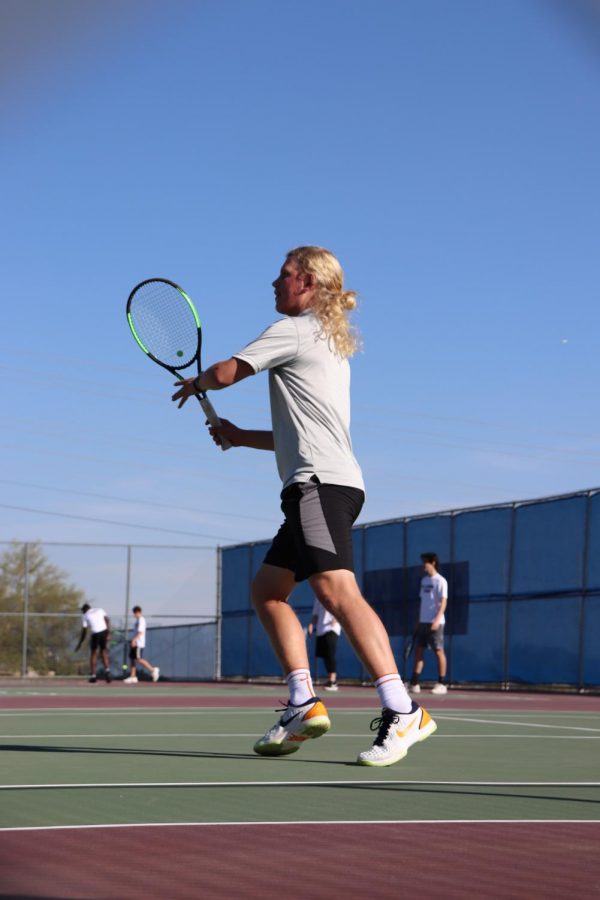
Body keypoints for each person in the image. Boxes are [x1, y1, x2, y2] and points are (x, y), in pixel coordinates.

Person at [172, 246, 437, 766]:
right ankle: (301, 703)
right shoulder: (327, 343)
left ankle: (402, 708)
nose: (274, 282)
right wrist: (238, 435)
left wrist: (197, 382)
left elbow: (227, 373)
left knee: (335, 589)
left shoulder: (294, 330)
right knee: (269, 591)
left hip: (318, 485)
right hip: (322, 482)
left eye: (284, 274)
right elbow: (298, 434)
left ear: (309, 283)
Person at [409, 552, 448, 695]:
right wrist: (419, 621)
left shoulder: (441, 581)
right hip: (423, 622)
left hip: (436, 623)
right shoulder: (424, 580)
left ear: (433, 563)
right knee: (419, 651)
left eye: (425, 562)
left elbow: (443, 602)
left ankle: (442, 683)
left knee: (439, 651)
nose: (423, 565)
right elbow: (423, 602)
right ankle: (414, 683)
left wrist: (437, 620)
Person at [307, 597, 341, 691]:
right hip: (321, 629)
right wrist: (311, 624)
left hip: (332, 629)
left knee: (330, 654)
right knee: (325, 655)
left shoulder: (334, 593)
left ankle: (333, 681)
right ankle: (330, 679)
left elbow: (341, 608)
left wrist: (336, 618)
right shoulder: (318, 598)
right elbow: (315, 614)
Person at [75, 603, 111, 684]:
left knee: (93, 654)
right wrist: (109, 633)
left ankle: (94, 676)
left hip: (95, 634)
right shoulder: (100, 609)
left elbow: (84, 631)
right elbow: (107, 620)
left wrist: (80, 643)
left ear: (84, 610)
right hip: (104, 632)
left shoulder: (85, 615)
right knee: (103, 652)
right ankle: (107, 671)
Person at [123, 605, 160, 684]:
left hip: (139, 643)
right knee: (132, 659)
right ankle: (133, 677)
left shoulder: (141, 620)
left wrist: (134, 640)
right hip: (135, 643)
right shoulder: (137, 621)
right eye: (134, 613)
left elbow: (141, 632)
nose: (134, 615)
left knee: (139, 659)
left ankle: (153, 670)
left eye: (135, 613)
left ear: (139, 612)